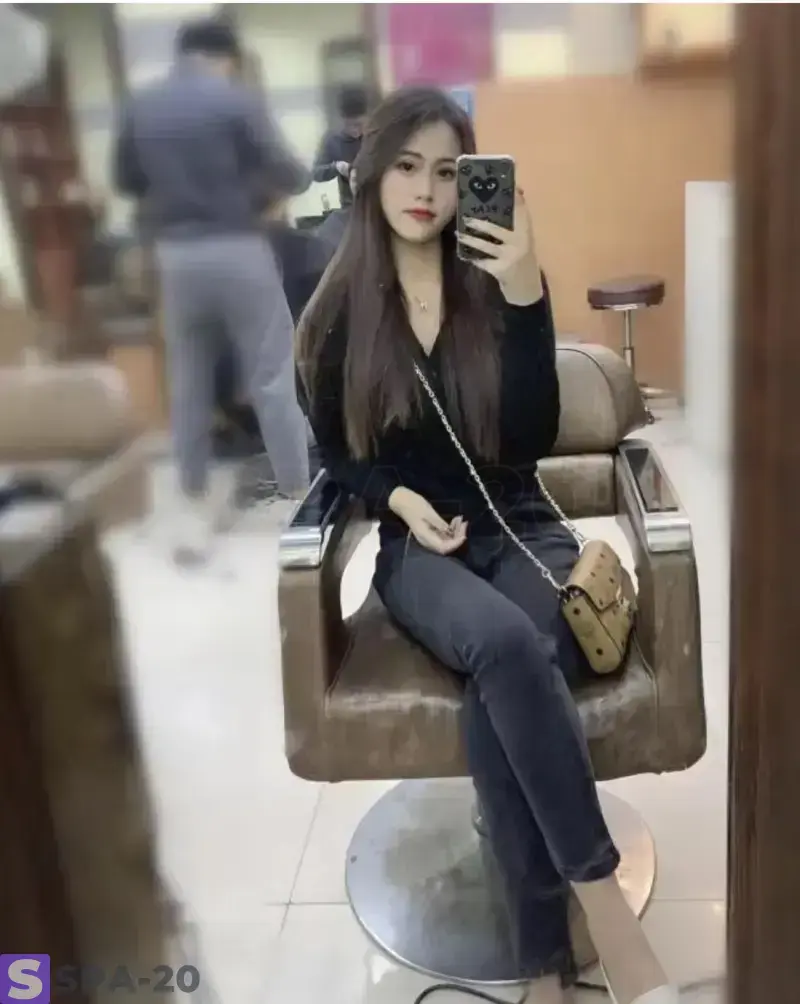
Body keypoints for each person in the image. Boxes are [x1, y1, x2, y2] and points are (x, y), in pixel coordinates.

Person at [296, 87, 677, 1004]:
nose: (425, 191)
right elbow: (337, 454)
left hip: (521, 523)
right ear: (373, 175)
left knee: (511, 669)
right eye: (407, 167)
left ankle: (543, 961)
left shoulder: (489, 286)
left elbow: (532, 434)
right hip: (418, 549)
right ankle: (606, 915)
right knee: (507, 643)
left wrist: (526, 290)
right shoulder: (344, 308)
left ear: (473, 181)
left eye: (446, 170)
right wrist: (398, 499)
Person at [114, 17, 311, 562]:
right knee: (271, 371)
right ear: (225, 57)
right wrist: (250, 190)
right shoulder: (235, 100)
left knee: (189, 379)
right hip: (238, 246)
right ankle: (297, 492)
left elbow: (126, 180)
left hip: (176, 255)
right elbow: (290, 173)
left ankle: (193, 499)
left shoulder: (142, 105)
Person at [312, 85, 368, 208]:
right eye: (349, 125)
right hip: (349, 206)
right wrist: (336, 167)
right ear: (342, 120)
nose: (355, 130)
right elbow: (316, 173)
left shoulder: (375, 135)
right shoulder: (332, 140)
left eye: (359, 125)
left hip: (378, 203)